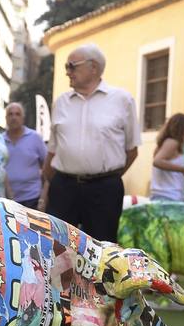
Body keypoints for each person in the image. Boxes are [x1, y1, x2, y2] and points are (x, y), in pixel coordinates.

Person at [42, 44, 138, 241]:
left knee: (102, 247)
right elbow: (53, 149)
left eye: (71, 65)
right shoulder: (61, 102)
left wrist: (104, 177)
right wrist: (48, 185)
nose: (67, 72)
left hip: (103, 190)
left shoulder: (122, 100)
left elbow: (132, 150)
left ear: (93, 67)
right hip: (64, 187)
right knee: (57, 247)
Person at [3, 101, 46, 208]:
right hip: (6, 198)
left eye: (17, 114)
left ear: (23, 118)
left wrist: (44, 197)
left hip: (32, 198)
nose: (14, 117)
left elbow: (46, 166)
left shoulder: (35, 138)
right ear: (6, 118)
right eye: (10, 114)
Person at [148, 112, 184, 201]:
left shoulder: (165, 144)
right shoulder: (172, 142)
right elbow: (157, 161)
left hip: (167, 196)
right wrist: (183, 169)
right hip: (168, 196)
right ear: (182, 129)